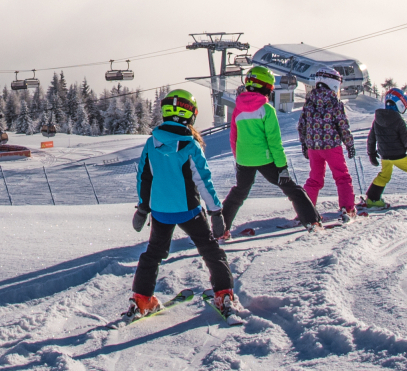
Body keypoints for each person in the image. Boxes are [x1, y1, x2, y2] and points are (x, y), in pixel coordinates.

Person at [131, 89, 236, 319]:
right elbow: (204, 182)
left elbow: (144, 178)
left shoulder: (152, 143)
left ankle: (141, 299)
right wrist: (216, 212)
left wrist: (142, 208)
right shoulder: (190, 146)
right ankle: (223, 293)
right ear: (191, 116)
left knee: (153, 254)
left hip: (160, 212)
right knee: (211, 251)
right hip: (189, 211)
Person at [220, 65, 321, 232]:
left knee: (238, 193)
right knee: (292, 189)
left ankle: (220, 230)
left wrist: (238, 159)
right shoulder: (267, 110)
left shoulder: (238, 109)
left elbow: (234, 137)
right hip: (265, 159)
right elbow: (274, 142)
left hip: (244, 160)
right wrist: (282, 167)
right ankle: (312, 221)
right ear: (265, 87)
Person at [296, 68, 358, 220]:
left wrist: (304, 144)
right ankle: (347, 208)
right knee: (342, 177)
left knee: (315, 179)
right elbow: (342, 126)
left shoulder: (309, 101)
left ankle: (305, 211)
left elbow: (302, 125)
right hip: (332, 147)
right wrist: (349, 144)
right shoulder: (334, 102)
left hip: (313, 147)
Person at [366, 87, 407, 206]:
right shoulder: (398, 120)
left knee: (384, 175)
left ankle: (372, 199)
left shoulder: (377, 119)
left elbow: (371, 139)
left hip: (385, 157)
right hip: (399, 156)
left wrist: (371, 153)